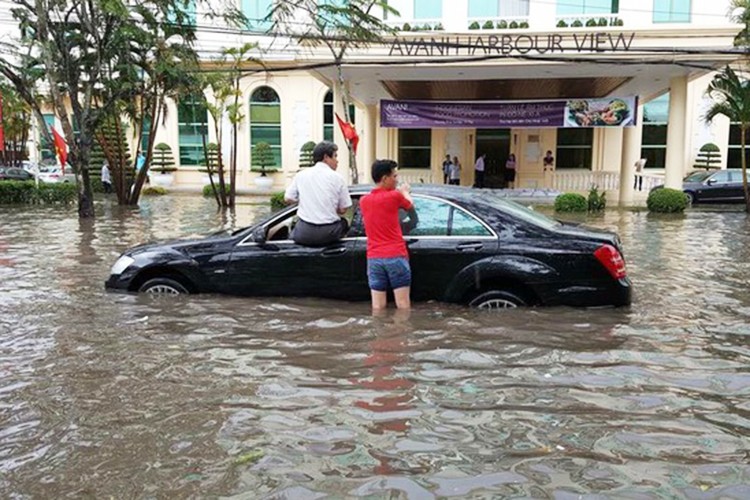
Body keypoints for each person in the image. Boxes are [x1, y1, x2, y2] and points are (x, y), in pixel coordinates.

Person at [360, 159, 414, 310]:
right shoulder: (394, 196)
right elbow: (409, 205)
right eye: (394, 176)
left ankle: (380, 334)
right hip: (395, 256)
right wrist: (405, 192)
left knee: (377, 307)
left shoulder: (364, 201)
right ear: (384, 178)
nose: (397, 180)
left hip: (374, 259)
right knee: (403, 305)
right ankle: (402, 333)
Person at [284, 140, 352, 246]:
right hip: (329, 233)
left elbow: (288, 198)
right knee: (344, 222)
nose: (337, 161)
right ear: (326, 157)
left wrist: (304, 202)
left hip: (304, 233)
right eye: (335, 156)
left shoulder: (301, 175)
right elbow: (343, 209)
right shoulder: (338, 178)